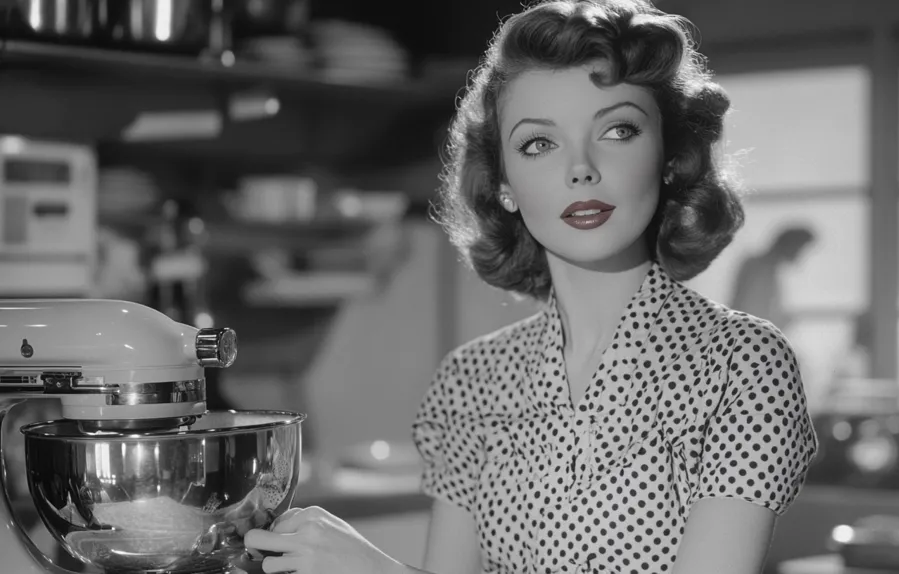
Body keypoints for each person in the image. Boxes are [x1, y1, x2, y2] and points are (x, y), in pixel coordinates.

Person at [244, 0, 819, 572]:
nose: (580, 168)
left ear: (669, 157)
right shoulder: (472, 381)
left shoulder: (742, 366)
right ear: (504, 186)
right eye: (539, 144)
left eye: (618, 130)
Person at [728, 226, 815, 332]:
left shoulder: (765, 267)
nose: (800, 255)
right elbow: (753, 310)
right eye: (801, 249)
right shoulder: (759, 268)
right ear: (791, 245)